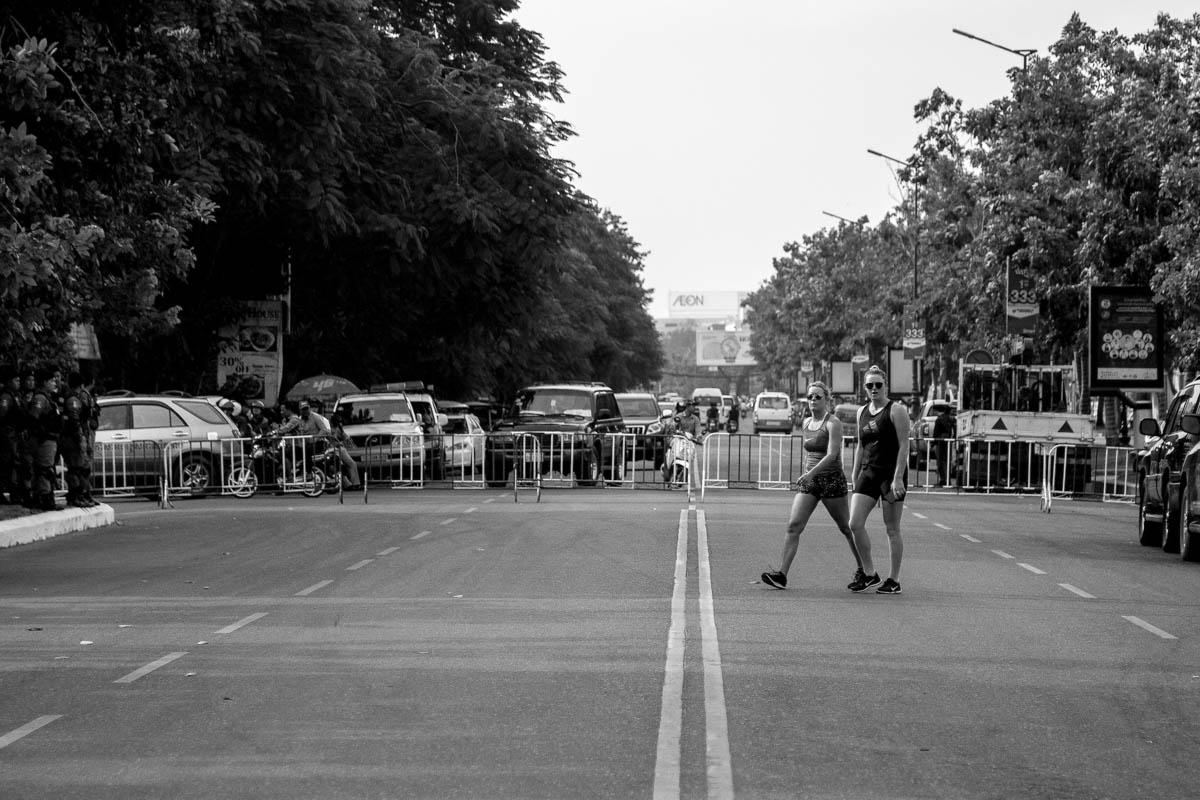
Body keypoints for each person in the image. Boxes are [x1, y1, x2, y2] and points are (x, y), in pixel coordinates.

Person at [762, 381, 861, 590]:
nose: (813, 400)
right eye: (810, 397)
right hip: (810, 482)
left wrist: (811, 473)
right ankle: (782, 575)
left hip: (831, 480)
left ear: (827, 400)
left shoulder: (832, 423)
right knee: (794, 526)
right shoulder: (806, 423)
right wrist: (806, 472)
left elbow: (833, 453)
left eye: (818, 396)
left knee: (846, 527)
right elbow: (809, 452)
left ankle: (865, 570)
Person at [847, 366, 910, 594]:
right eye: (869, 385)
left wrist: (898, 478)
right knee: (854, 523)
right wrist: (855, 475)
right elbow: (860, 445)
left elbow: (904, 444)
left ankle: (894, 579)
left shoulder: (896, 410)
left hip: (891, 475)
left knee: (892, 529)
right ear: (864, 388)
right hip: (868, 473)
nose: (874, 389)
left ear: (886, 386)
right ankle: (870, 573)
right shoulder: (861, 411)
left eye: (878, 385)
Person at [25, 368, 63, 511]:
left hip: (49, 439)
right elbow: (33, 419)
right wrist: (41, 433)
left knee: (46, 469)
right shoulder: (40, 398)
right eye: (52, 381)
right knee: (45, 470)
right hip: (44, 440)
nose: (55, 383)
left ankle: (43, 497)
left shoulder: (48, 398)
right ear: (45, 382)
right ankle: (45, 499)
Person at [327, 413, 361, 489]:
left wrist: (349, 441)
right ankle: (347, 484)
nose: (340, 423)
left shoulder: (338, 428)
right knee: (339, 466)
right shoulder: (328, 429)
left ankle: (355, 483)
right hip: (332, 450)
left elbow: (345, 437)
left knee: (351, 464)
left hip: (340, 449)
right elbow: (331, 441)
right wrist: (339, 443)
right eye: (339, 421)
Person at [932, 406, 954, 486]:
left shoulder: (939, 419)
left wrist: (933, 443)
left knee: (940, 461)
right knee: (948, 461)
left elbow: (935, 432)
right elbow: (954, 431)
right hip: (948, 442)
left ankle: (943, 480)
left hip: (940, 441)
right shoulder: (952, 420)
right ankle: (948, 481)